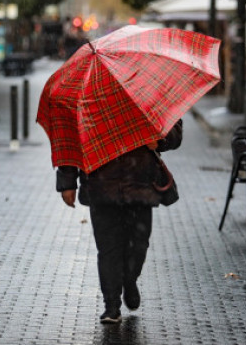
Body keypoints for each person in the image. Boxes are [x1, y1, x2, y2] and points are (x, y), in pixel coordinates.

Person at [56, 119, 183, 324]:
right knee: (108, 249)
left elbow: (174, 129)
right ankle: (111, 305)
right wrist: (66, 181)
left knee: (138, 246)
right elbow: (70, 141)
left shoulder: (145, 93)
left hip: (140, 186)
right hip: (100, 185)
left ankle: (130, 280)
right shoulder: (87, 98)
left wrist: (160, 141)